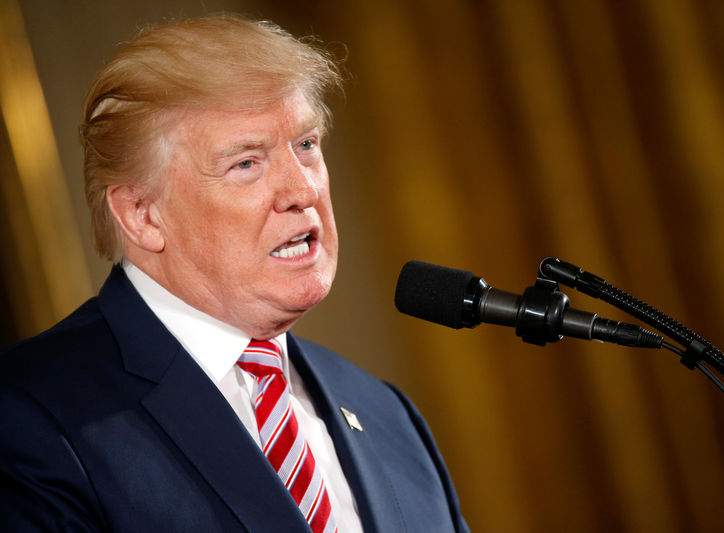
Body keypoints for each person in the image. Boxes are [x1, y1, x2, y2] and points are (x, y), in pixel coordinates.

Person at [0, 15, 469, 533]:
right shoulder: (30, 418)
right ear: (142, 215)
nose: (303, 190)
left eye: (306, 145)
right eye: (246, 163)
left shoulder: (386, 415)